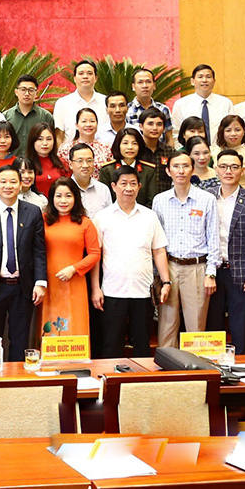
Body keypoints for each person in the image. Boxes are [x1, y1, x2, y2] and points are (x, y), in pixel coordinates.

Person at [91, 166, 172, 358]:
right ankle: (110, 383)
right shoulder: (102, 217)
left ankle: (141, 386)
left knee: (142, 344)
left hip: (143, 291)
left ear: (140, 187)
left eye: (133, 184)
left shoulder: (149, 216)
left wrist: (166, 281)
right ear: (113, 186)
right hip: (112, 291)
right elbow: (96, 256)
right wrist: (96, 287)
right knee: (111, 343)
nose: (128, 188)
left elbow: (159, 250)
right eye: (123, 183)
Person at [152, 152, 220, 347]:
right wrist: (159, 275)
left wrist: (211, 274)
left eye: (185, 166)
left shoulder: (206, 199)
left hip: (197, 268)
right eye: (176, 166)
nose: (180, 171)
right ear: (168, 171)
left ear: (192, 169)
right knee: (166, 325)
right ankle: (166, 370)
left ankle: (195, 372)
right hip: (170, 266)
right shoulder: (160, 200)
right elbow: (157, 242)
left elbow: (213, 238)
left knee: (196, 326)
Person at [205, 149, 245, 351]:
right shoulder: (206, 197)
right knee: (212, 326)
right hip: (213, 272)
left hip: (242, 274)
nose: (228, 171)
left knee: (240, 327)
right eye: (223, 166)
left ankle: (241, 368)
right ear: (215, 169)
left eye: (234, 167)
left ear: (242, 170)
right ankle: (213, 371)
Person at [0, 164, 46, 361]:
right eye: (3, 182)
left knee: (20, 338)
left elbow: (39, 250)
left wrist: (40, 282)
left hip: (22, 286)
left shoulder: (33, 212)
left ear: (20, 185)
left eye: (13, 182)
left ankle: (18, 383)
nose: (8, 186)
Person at [38, 178, 101, 339]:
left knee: (75, 324)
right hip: (47, 283)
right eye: (58, 196)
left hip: (75, 282)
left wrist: (74, 268)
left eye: (68, 196)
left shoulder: (85, 223)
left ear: (76, 198)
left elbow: (95, 253)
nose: (63, 201)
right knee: (48, 326)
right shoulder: (42, 220)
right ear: (52, 198)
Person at [99, 128, 160, 208]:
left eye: (134, 143)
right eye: (125, 143)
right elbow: (105, 200)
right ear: (118, 145)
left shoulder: (149, 170)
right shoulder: (107, 170)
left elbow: (151, 201)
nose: (130, 147)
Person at [172, 63, 235, 138]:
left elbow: (231, 129)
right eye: (200, 77)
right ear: (192, 81)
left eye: (208, 77)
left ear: (214, 81)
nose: (204, 80)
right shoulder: (181, 104)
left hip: (219, 149)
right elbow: (175, 133)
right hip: (190, 149)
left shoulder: (225, 103)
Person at [53, 59, 108, 143]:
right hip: (70, 153)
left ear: (96, 78)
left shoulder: (106, 102)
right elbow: (58, 135)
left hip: (101, 153)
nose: (85, 76)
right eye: (81, 73)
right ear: (74, 78)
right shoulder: (62, 103)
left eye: (89, 73)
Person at [4, 74, 54, 159]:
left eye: (31, 90)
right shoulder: (5, 116)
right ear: (16, 92)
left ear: (36, 93)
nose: (27, 94)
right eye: (23, 90)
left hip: (37, 164)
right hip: (11, 164)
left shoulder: (46, 116)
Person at [214, 114, 245, 192]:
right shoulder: (213, 153)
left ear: (243, 132)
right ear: (222, 132)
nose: (233, 134)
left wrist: (232, 191)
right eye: (228, 130)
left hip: (244, 197)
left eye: (237, 130)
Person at [124, 68, 172, 141]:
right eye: (140, 82)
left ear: (154, 85)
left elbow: (169, 138)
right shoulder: (126, 110)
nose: (145, 86)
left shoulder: (163, 109)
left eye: (148, 82)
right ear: (133, 87)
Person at [138, 108, 179, 192]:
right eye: (150, 124)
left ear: (164, 128)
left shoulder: (170, 152)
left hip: (164, 201)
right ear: (141, 126)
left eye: (159, 124)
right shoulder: (135, 150)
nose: (155, 128)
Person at [67, 143, 113, 216]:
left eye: (89, 160)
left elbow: (109, 218)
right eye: (80, 161)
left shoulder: (103, 189)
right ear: (70, 164)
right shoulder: (65, 189)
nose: (85, 165)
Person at [24, 123, 66, 199]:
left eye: (49, 139)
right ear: (32, 141)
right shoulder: (25, 164)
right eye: (40, 139)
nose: (45, 143)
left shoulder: (62, 163)